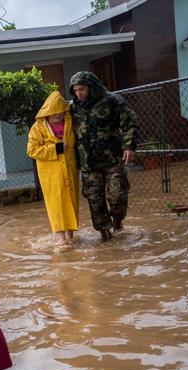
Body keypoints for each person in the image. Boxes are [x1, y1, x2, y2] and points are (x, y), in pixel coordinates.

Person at [68, 71, 138, 242]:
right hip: (88, 163)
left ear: (91, 87)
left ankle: (118, 222)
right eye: (76, 90)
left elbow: (130, 122)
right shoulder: (72, 107)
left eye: (82, 89)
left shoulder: (112, 100)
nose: (79, 93)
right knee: (94, 200)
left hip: (112, 159)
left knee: (117, 195)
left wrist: (129, 146)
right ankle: (104, 233)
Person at [27, 90, 79, 246]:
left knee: (71, 200)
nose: (59, 116)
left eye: (61, 113)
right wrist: (55, 149)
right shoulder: (37, 128)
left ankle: (71, 237)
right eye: (55, 114)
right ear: (47, 114)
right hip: (51, 173)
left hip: (70, 169)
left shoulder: (70, 122)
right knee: (56, 203)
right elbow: (32, 150)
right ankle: (60, 239)